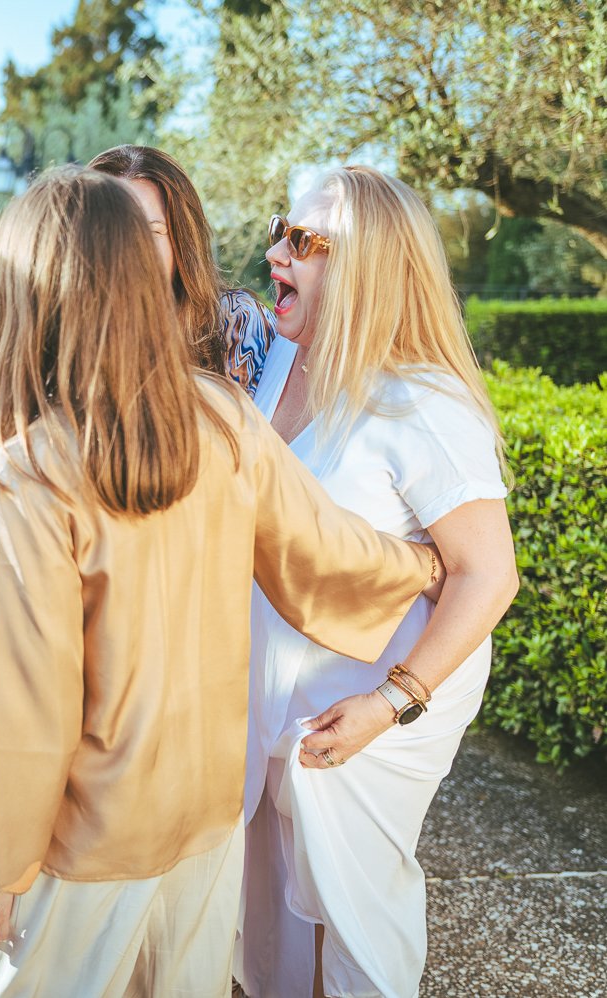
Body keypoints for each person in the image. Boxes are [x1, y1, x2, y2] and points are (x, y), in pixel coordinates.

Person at [0, 166, 447, 997]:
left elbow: (22, 702)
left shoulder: (27, 476)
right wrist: (423, 564)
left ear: (30, 291)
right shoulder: (223, 415)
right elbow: (329, 557)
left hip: (82, 838)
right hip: (204, 824)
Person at [237, 166, 517, 998]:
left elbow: (487, 575)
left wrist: (390, 703)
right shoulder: (274, 360)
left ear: (366, 266)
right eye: (281, 230)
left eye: (303, 242)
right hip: (277, 678)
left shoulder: (420, 400)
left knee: (352, 906)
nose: (274, 252)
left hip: (375, 701)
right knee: (270, 904)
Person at [89, 144, 276, 393]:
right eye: (112, 230)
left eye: (152, 231)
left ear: (182, 242)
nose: (131, 249)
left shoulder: (236, 322)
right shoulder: (73, 333)